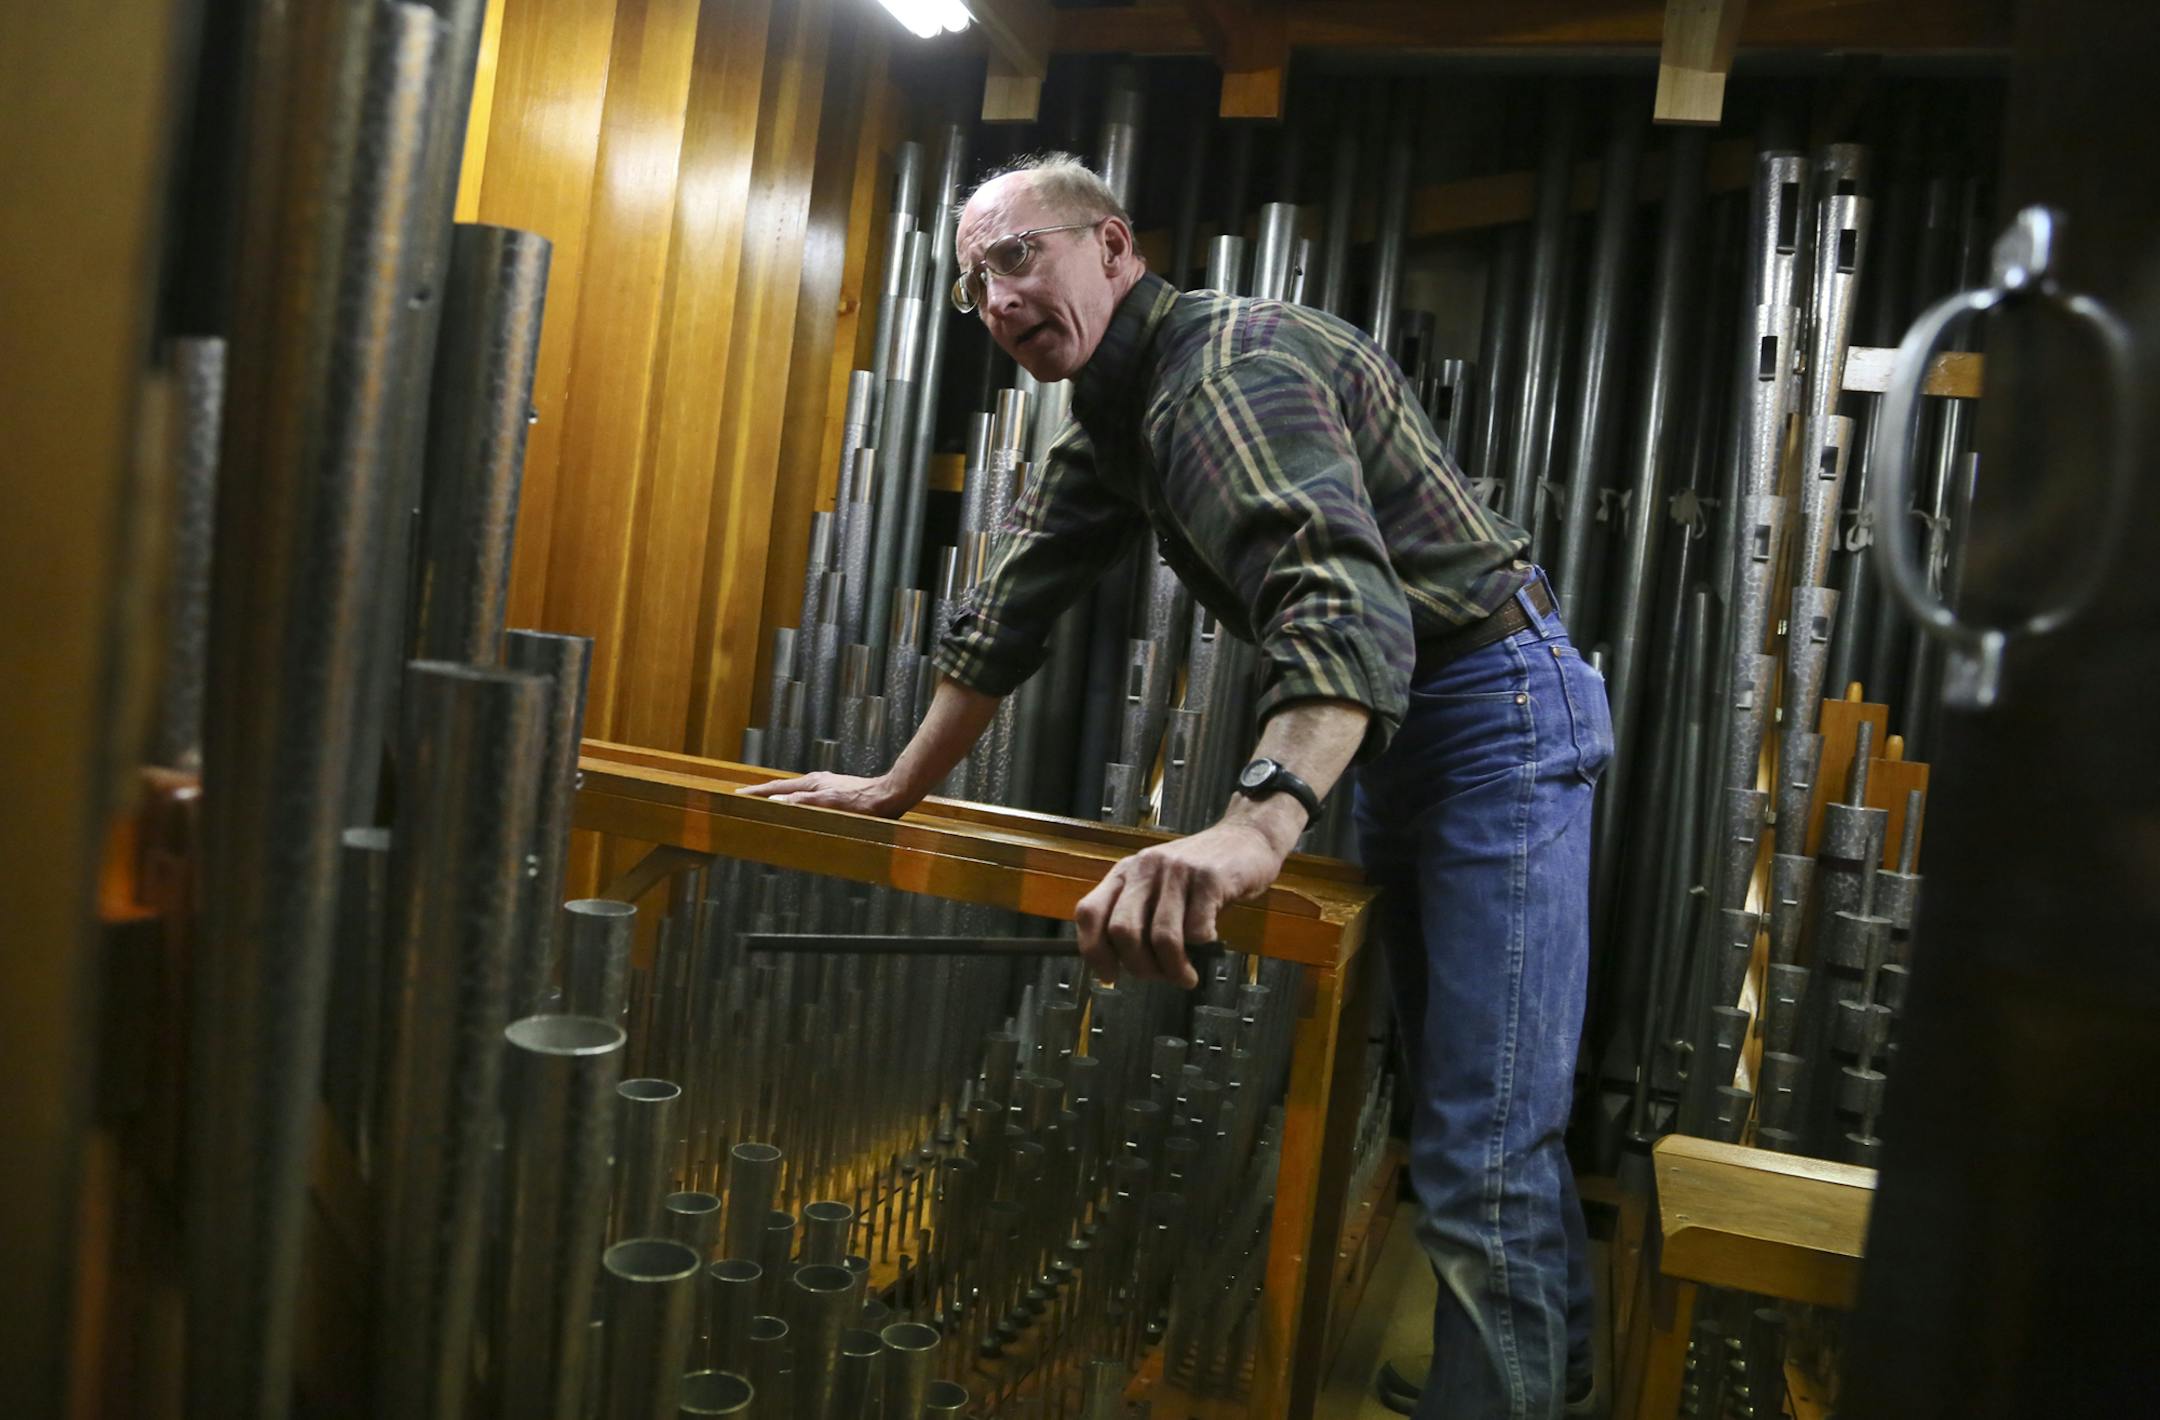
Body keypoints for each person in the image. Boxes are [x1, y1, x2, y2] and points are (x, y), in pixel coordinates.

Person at [745, 152, 1610, 1419]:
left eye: (1015, 257)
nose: (993, 300)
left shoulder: (1222, 376)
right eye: (970, 281)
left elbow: (1337, 595)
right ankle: (1542, 1360)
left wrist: (1258, 821)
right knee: (1460, 1106)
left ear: (1112, 242)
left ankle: (1514, 1389)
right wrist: (894, 782)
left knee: (1484, 1136)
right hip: (1412, 720)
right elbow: (1016, 604)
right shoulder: (1118, 408)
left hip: (1491, 708)